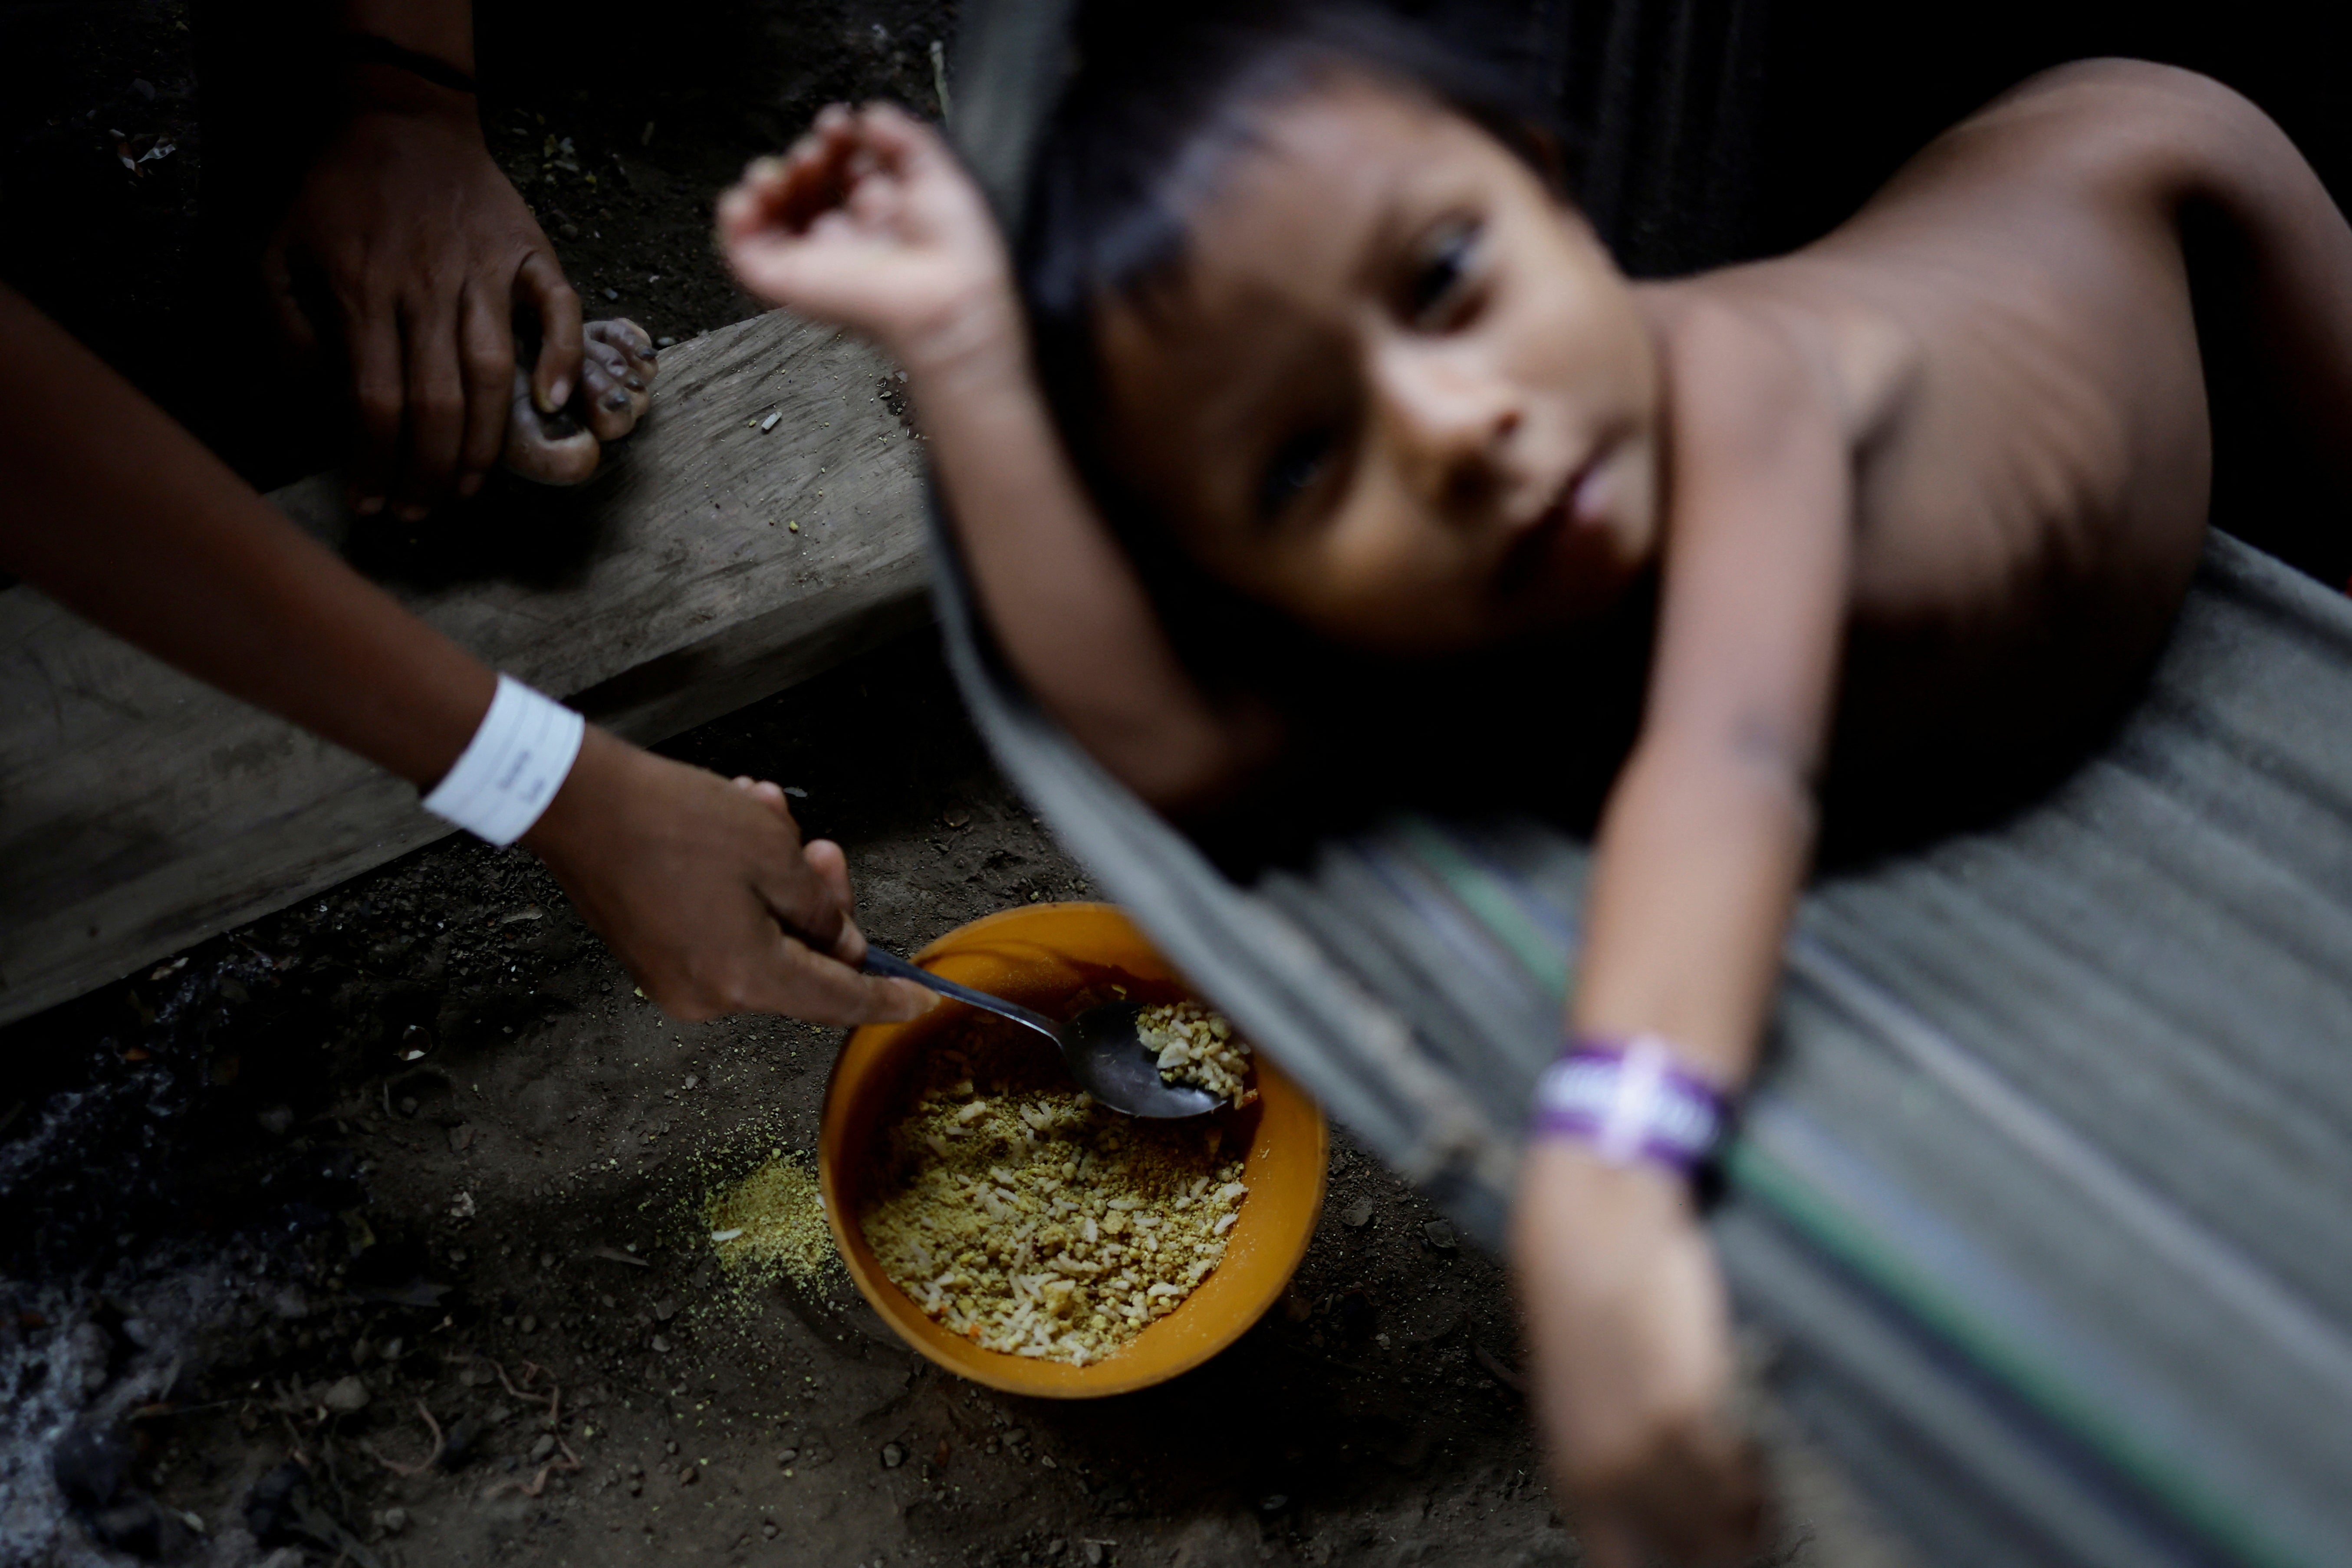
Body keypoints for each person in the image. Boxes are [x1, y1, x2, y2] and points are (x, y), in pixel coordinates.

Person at [713, 10, 2352, 1563]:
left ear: (1549, 179)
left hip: (2153, 173)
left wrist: (1605, 1178)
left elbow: (1731, 761)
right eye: (1300, 461)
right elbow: (1170, 753)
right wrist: (966, 347)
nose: (1452, 426)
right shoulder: (1475, 561)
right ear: (1241, 579)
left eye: (1443, 277)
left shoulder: (1745, 386)